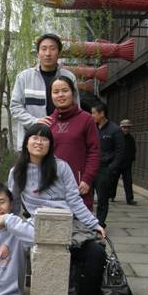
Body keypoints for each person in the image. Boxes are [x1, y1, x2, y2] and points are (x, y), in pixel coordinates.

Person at [8, 124, 139, 295]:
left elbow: (75, 201)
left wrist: (94, 223)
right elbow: (13, 206)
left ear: (51, 144)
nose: (39, 142)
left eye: (44, 138)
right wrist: (7, 231)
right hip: (39, 226)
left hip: (67, 224)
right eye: (34, 137)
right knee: (14, 249)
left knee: (97, 253)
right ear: (26, 142)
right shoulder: (16, 172)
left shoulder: (61, 167)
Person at [10, 33, 80, 149]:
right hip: (32, 142)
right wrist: (35, 121)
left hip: (63, 141)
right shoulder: (24, 77)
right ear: (38, 53)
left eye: (52, 49)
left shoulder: (69, 77)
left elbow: (76, 108)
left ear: (59, 53)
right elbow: (15, 107)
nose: (48, 53)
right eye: (44, 49)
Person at [47, 75, 100, 212]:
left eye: (65, 90)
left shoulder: (86, 119)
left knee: (80, 222)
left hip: (79, 186)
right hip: (52, 188)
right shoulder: (47, 122)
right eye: (56, 92)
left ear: (73, 93)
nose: (60, 95)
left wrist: (87, 179)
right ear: (51, 96)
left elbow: (94, 152)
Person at [91, 102, 125, 228]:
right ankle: (87, 222)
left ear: (102, 114)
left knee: (102, 199)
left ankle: (100, 224)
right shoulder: (92, 128)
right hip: (91, 167)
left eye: (94, 113)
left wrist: (111, 168)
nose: (92, 115)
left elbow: (121, 152)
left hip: (105, 168)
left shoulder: (115, 130)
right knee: (87, 197)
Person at [110, 119, 137, 205]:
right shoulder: (116, 137)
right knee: (113, 180)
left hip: (127, 164)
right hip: (117, 163)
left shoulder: (131, 138)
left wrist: (132, 159)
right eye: (124, 127)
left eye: (128, 127)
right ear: (121, 128)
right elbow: (112, 149)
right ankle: (111, 196)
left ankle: (130, 199)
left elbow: (133, 149)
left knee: (128, 181)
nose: (126, 129)